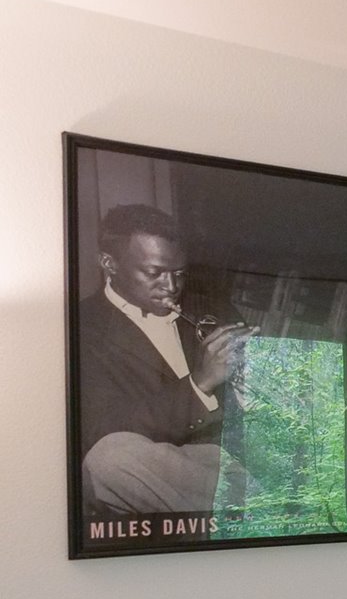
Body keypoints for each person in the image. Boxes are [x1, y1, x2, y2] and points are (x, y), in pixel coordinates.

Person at [76, 203, 251, 513]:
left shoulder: (212, 309)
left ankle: (251, 504)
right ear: (109, 263)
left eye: (179, 274)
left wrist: (259, 368)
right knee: (109, 459)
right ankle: (254, 509)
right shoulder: (80, 329)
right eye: (154, 273)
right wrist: (200, 384)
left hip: (238, 459)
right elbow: (102, 429)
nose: (171, 287)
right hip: (164, 469)